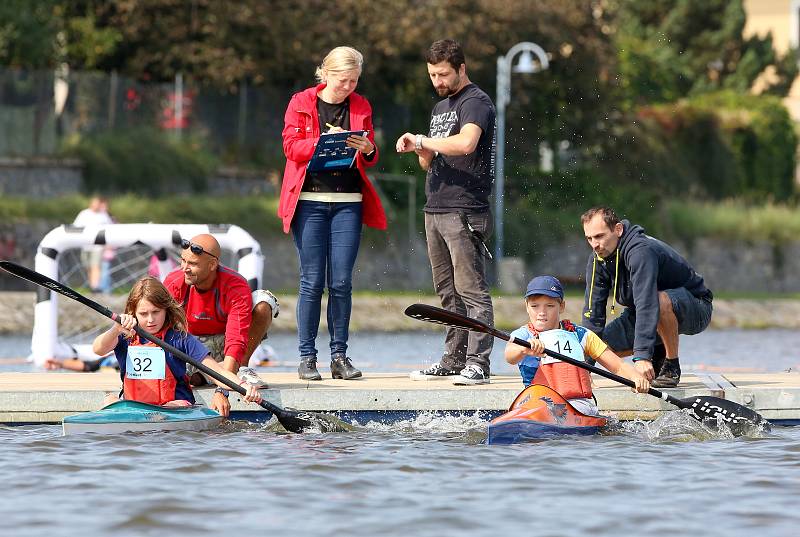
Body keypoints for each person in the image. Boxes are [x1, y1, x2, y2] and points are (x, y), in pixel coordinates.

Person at [279, 45, 386, 381]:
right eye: (343, 81)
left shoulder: (361, 104)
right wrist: (324, 142)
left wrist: (368, 148)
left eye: (354, 81)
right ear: (325, 74)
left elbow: (369, 155)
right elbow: (290, 147)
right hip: (309, 199)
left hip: (348, 202)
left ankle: (339, 356)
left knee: (341, 282)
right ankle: (307, 358)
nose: (348, 88)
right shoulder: (301, 102)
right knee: (312, 281)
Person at [396, 39, 495, 385]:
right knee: (447, 293)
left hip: (465, 209)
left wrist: (423, 140)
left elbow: (466, 144)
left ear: (461, 69)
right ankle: (453, 359)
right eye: (432, 74)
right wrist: (418, 149)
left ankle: (478, 363)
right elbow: (431, 161)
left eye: (443, 74)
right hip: (435, 207)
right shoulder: (440, 109)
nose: (437, 80)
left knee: (472, 290)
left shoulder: (476, 102)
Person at [581, 206, 713, 388]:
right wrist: (584, 366)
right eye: (589, 238)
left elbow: (647, 303)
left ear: (618, 229)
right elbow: (593, 312)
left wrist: (641, 355)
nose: (594, 244)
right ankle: (656, 352)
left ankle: (671, 365)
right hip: (648, 312)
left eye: (599, 236)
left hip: (696, 306)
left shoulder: (640, 251)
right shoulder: (597, 260)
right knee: (599, 347)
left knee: (659, 300)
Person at [92, 276, 261, 408]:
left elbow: (216, 372)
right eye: (143, 314)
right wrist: (115, 329)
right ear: (133, 312)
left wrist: (244, 386)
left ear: (166, 309)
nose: (150, 320)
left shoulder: (181, 339)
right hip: (134, 405)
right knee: (110, 400)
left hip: (175, 406)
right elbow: (98, 349)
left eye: (156, 312)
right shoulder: (124, 336)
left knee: (172, 406)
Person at [163, 234, 280, 416]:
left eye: (192, 264)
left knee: (264, 301)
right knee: (186, 378)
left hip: (227, 345)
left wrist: (222, 391)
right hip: (192, 345)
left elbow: (235, 340)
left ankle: (239, 368)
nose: (184, 268)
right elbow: (162, 331)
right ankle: (208, 374)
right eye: (183, 261)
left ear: (212, 265)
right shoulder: (173, 282)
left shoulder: (235, 285)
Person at [505, 276, 650, 415]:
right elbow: (509, 356)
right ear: (527, 307)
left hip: (578, 404)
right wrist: (523, 349)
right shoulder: (523, 336)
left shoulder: (581, 335)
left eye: (549, 306)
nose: (541, 313)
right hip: (537, 403)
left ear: (561, 306)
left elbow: (618, 366)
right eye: (535, 306)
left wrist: (636, 378)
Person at [73, 196, 113, 292]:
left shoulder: (103, 216)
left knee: (95, 266)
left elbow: (110, 229)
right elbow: (76, 226)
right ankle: (92, 285)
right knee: (88, 267)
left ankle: (95, 286)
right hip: (85, 246)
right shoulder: (84, 214)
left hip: (97, 247)